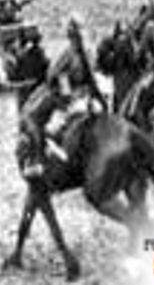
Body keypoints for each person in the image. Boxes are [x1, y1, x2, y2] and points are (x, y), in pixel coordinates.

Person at [17, 17, 103, 179]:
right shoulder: (90, 49)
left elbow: (52, 75)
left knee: (31, 116)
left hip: (68, 94)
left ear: (70, 32)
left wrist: (65, 91)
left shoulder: (68, 51)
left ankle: (37, 159)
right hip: (87, 93)